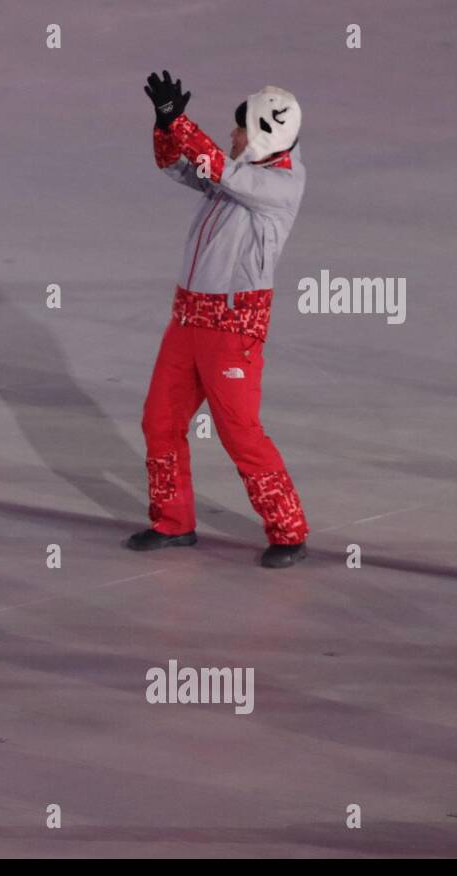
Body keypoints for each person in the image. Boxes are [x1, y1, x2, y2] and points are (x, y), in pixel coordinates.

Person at [128, 71, 309, 568]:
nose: (233, 135)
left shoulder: (278, 184)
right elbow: (175, 165)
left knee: (239, 432)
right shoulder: (241, 170)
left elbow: (215, 165)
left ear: (264, 134)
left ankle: (289, 531)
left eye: (241, 128)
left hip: (232, 327)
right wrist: (165, 126)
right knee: (160, 420)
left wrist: (182, 121)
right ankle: (172, 522)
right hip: (188, 317)